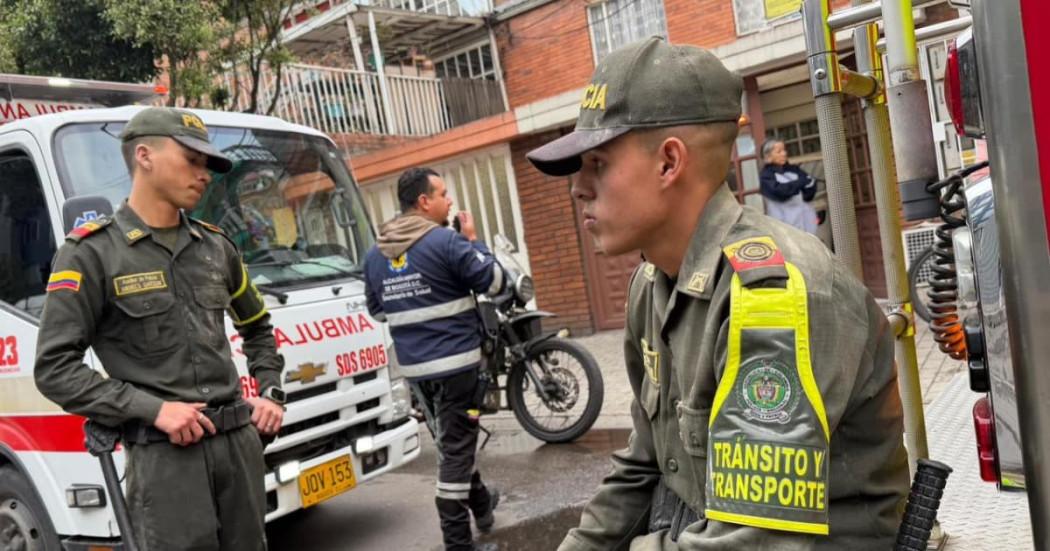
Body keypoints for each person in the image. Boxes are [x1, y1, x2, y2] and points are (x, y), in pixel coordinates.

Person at [527, 37, 909, 549]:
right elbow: (643, 464)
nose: (578, 188)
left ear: (669, 162)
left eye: (597, 164)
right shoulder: (652, 284)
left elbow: (751, 541)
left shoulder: (772, 295)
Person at [35, 107, 286, 551]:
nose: (204, 174)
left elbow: (257, 327)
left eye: (207, 164)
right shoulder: (92, 253)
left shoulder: (216, 247)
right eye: (192, 159)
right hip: (167, 460)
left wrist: (271, 391)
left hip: (238, 449)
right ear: (145, 156)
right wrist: (153, 409)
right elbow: (55, 369)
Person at [363, 167, 501, 551]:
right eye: (443, 193)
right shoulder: (446, 241)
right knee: (455, 450)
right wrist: (474, 241)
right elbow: (494, 282)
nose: (450, 200)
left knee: (451, 441)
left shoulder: (376, 253)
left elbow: (377, 311)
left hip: (416, 372)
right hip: (457, 367)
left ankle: (482, 504)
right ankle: (458, 543)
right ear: (424, 201)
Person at [759, 139, 819, 234]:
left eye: (784, 150)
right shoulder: (766, 176)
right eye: (779, 151)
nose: (784, 154)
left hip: (807, 223)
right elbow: (780, 192)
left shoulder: (793, 169)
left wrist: (808, 186)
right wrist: (800, 183)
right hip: (785, 227)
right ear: (768, 156)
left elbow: (809, 190)